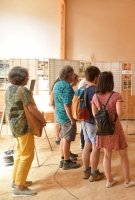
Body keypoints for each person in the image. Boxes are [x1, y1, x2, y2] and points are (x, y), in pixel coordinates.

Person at [91, 71, 135, 188]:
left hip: (102, 130)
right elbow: (120, 113)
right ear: (110, 82)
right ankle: (127, 181)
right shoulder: (116, 95)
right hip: (115, 128)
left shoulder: (95, 96)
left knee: (107, 155)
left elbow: (94, 114)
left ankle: (109, 181)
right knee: (123, 154)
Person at [5, 66, 46, 197]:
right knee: (27, 155)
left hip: (14, 126)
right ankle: (19, 187)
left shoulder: (9, 89)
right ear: (21, 77)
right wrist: (43, 120)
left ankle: (16, 181)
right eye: (27, 76)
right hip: (24, 127)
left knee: (20, 154)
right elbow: (32, 108)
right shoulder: (23, 90)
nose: (28, 78)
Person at [54, 66, 80, 170]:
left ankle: (63, 159)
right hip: (66, 117)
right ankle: (67, 162)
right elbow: (67, 105)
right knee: (66, 139)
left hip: (59, 115)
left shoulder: (58, 84)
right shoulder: (67, 87)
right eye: (73, 74)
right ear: (69, 75)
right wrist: (72, 119)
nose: (74, 76)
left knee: (63, 138)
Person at [81, 66, 103, 182]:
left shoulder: (83, 88)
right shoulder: (95, 91)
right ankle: (94, 173)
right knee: (96, 147)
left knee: (87, 145)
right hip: (93, 122)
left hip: (84, 121)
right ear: (95, 77)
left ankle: (86, 171)